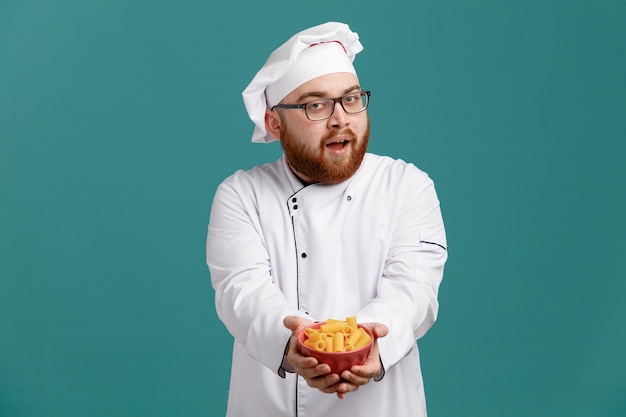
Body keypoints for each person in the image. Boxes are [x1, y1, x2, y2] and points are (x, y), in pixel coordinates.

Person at [206, 21, 447, 417]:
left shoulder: (407, 186)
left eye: (351, 99)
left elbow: (413, 291)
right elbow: (242, 292)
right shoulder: (240, 195)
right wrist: (292, 343)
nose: (340, 119)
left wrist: (367, 342)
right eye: (316, 105)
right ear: (274, 123)